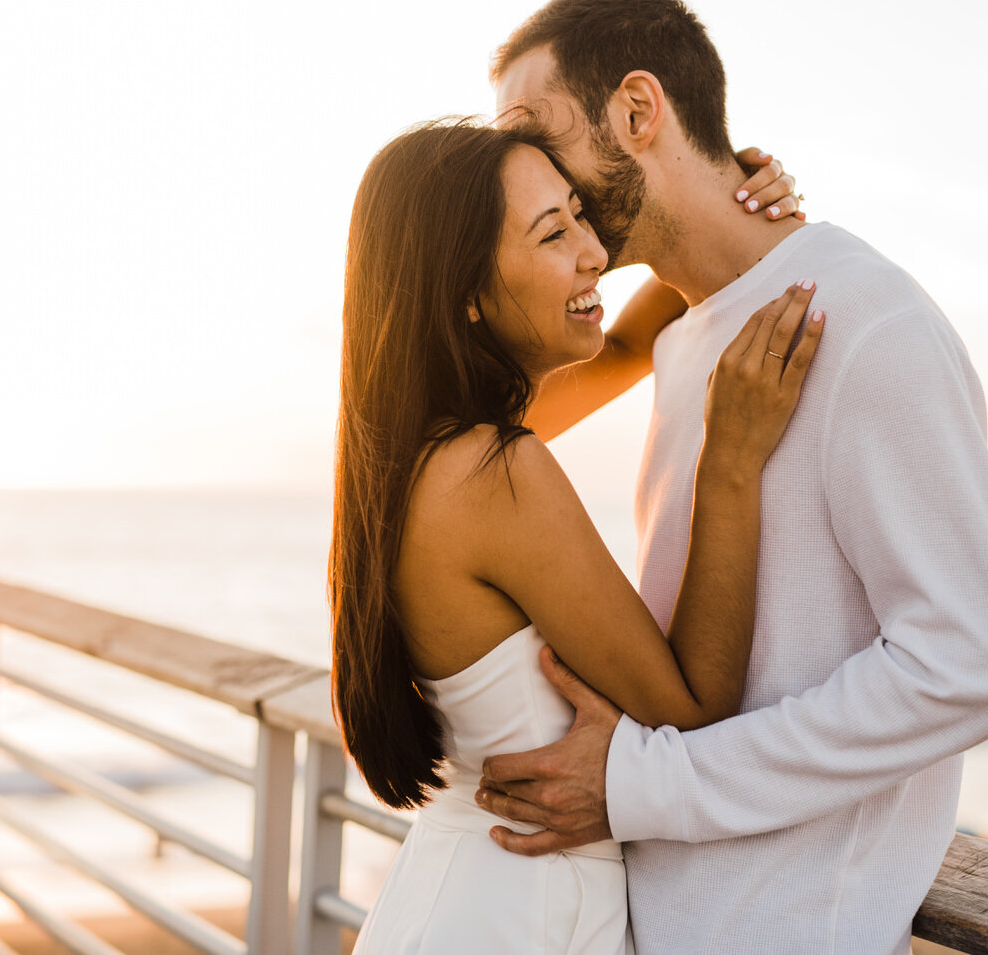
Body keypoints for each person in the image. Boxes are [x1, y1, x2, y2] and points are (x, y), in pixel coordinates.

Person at [474, 0, 988, 954]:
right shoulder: (689, 334)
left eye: (533, 131)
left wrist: (643, 785)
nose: (519, 172)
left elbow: (977, 664)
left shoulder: (865, 323)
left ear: (638, 110)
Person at [331, 118, 823, 952]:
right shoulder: (495, 469)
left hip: (459, 896)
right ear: (467, 293)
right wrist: (729, 460)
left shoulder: (418, 451)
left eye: (580, 216)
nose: (595, 252)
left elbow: (627, 342)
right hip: (523, 917)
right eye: (553, 232)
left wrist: (720, 201)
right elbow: (694, 707)